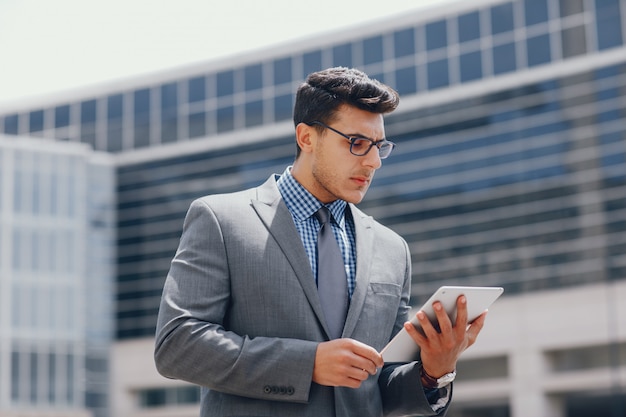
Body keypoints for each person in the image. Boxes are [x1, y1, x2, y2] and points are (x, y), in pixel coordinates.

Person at [154, 67, 487, 417]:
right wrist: (307, 363)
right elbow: (177, 345)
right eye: (357, 143)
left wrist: (433, 372)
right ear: (307, 138)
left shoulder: (393, 249)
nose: (373, 162)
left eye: (379, 146)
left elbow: (378, 382)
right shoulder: (221, 220)